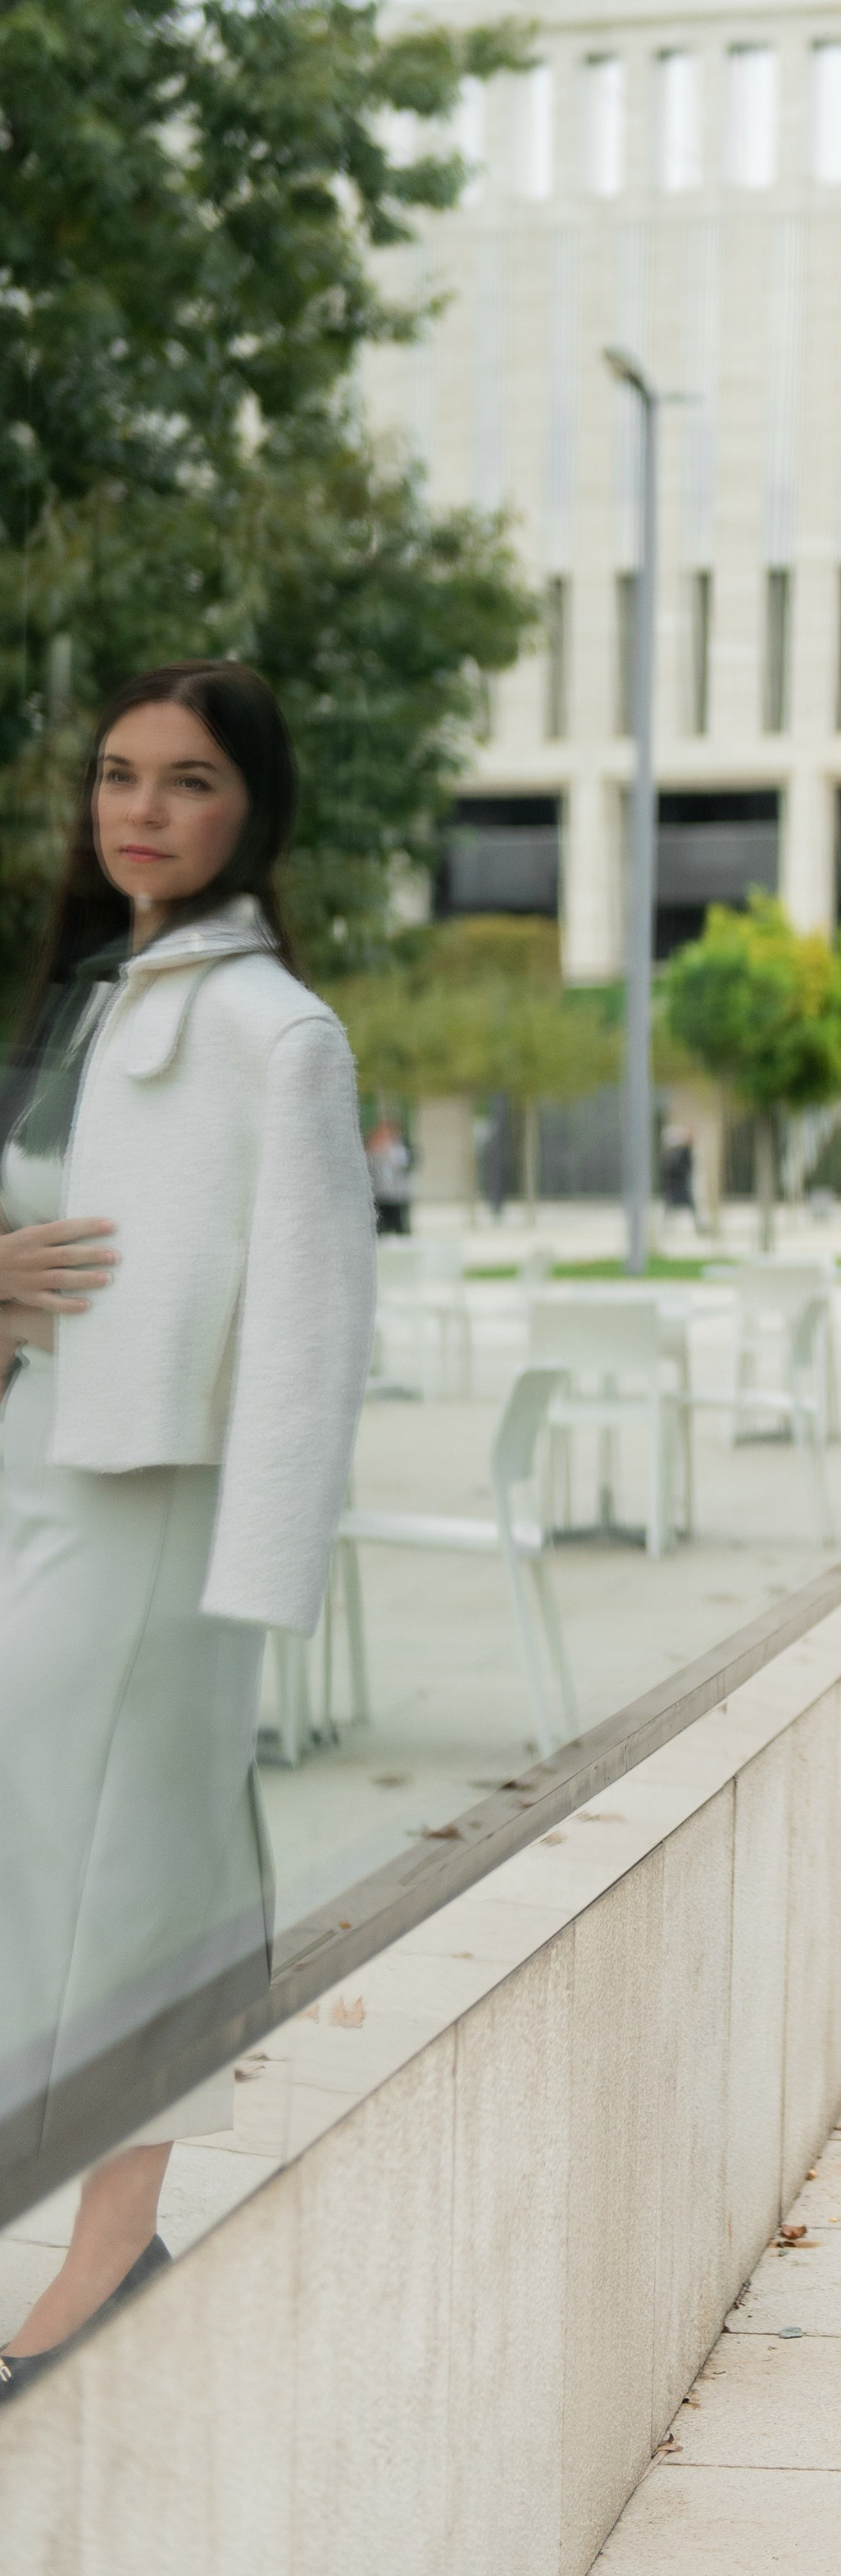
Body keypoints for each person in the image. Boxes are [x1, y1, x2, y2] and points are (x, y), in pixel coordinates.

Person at [0, 662, 376, 2403]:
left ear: (254, 809)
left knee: (146, 1861)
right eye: (118, 773)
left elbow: (315, 1322)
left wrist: (257, 1597)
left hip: (164, 1509)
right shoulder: (90, 997)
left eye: (190, 778)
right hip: (39, 1473)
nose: (141, 808)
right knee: (47, 1847)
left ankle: (110, 2238)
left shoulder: (274, 1031)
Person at [366, 1115, 414, 1234]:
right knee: (380, 1227)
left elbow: (405, 1165)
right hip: (379, 1195)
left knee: (398, 1227)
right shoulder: (372, 1149)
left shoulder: (400, 1148)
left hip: (397, 1195)